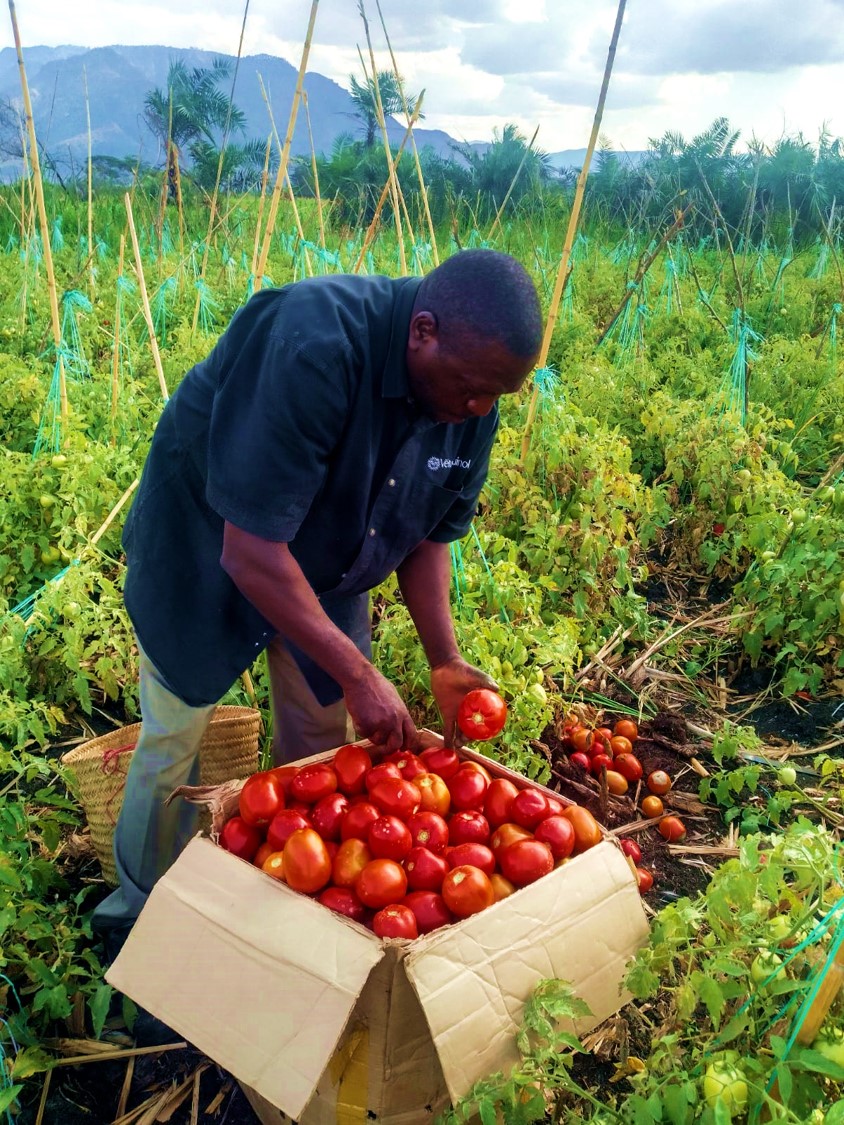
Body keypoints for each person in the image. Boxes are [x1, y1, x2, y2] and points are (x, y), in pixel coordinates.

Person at [93, 248, 542, 951]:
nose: (479, 408)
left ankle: (290, 910)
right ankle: (136, 915)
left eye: (496, 396)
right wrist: (361, 673)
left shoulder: (470, 395)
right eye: (472, 388)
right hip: (210, 542)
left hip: (331, 557)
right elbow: (251, 552)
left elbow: (428, 536)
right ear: (421, 331)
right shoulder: (316, 344)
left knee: (320, 742)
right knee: (176, 732)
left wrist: (445, 658)